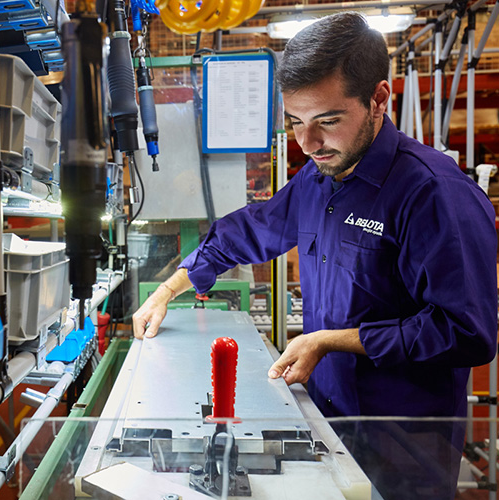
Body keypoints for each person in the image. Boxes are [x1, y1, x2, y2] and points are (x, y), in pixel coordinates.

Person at [132, 12, 498, 500]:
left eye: (327, 121)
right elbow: (251, 230)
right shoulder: (320, 177)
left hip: (402, 449)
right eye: (296, 123)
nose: (307, 144)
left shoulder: (434, 195)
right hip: (326, 426)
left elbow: (467, 332)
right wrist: (168, 289)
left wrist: (333, 340)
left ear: (379, 100)